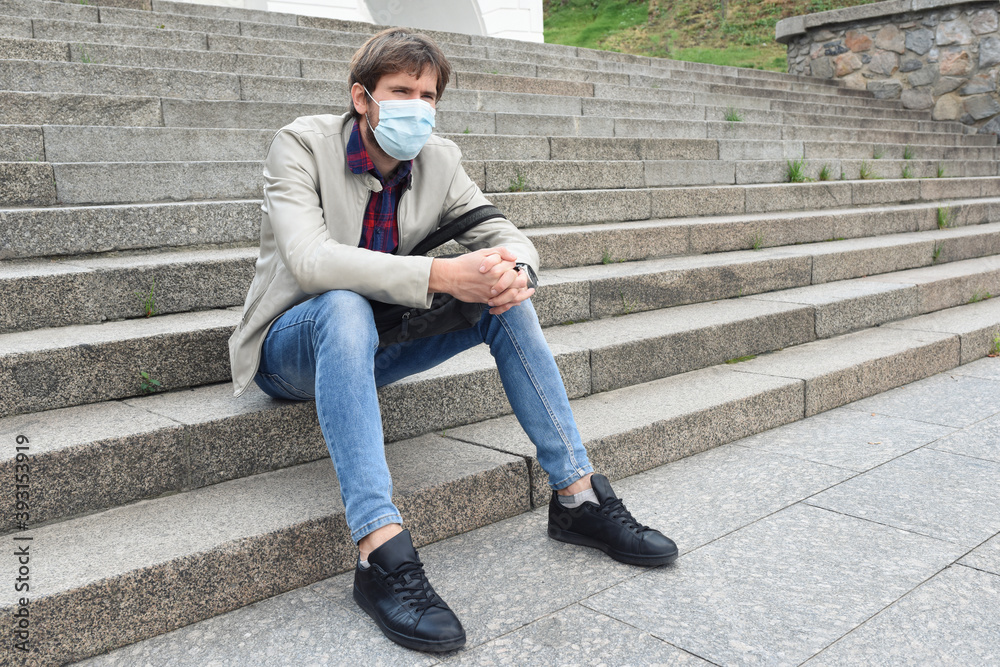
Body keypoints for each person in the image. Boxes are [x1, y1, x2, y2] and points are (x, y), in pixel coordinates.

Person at [228, 27, 678, 653]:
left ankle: (578, 496)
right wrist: (442, 274)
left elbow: (504, 232)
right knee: (342, 305)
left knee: (500, 297)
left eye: (429, 95)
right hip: (294, 349)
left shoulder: (439, 159)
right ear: (363, 98)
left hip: (377, 344)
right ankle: (380, 553)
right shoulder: (300, 145)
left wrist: (515, 270)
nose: (419, 106)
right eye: (402, 91)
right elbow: (310, 262)